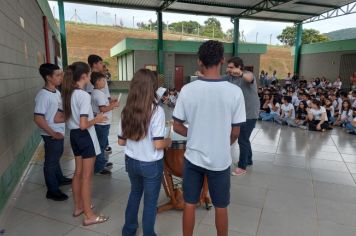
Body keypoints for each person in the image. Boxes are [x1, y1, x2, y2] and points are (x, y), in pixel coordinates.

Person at [173, 40, 246, 236]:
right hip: (220, 160)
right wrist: (222, 142)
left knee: (189, 203)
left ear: (199, 62)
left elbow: (177, 125)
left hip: (193, 158)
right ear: (222, 60)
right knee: (221, 206)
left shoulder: (188, 90)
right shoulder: (235, 92)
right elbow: (236, 132)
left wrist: (196, 134)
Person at [118, 69, 172, 236]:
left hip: (131, 161)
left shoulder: (127, 109)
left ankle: (128, 230)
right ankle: (149, 233)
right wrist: (168, 141)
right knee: (150, 201)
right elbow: (157, 144)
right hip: (150, 163)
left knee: (135, 193)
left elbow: (121, 141)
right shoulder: (156, 111)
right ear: (153, 87)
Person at [61, 61, 109, 226]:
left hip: (74, 136)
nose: (90, 77)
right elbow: (83, 124)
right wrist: (97, 119)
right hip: (85, 136)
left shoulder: (68, 93)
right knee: (87, 178)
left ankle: (79, 207)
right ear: (83, 76)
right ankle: (89, 215)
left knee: (78, 173)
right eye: (89, 74)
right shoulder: (83, 95)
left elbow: (60, 118)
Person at [34, 63, 72, 201]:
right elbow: (38, 118)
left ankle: (60, 178)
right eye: (58, 75)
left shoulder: (56, 91)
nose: (61, 77)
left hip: (58, 132)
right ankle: (52, 190)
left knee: (56, 157)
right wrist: (52, 133)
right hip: (52, 135)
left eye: (61, 74)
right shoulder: (43, 95)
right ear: (48, 77)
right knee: (50, 162)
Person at [225, 57, 260, 176]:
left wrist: (240, 74)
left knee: (242, 139)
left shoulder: (247, 74)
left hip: (249, 113)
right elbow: (217, 79)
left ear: (239, 67)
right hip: (239, 113)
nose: (228, 69)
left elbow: (249, 78)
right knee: (245, 138)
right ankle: (248, 160)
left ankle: (242, 166)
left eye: (231, 67)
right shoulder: (230, 78)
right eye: (228, 67)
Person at [87, 55, 115, 166]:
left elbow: (104, 94)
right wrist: (110, 105)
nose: (102, 65)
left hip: (103, 114)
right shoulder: (91, 80)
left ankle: (101, 161)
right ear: (94, 64)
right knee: (100, 142)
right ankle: (99, 165)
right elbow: (93, 100)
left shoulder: (99, 77)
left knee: (102, 141)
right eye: (100, 63)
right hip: (100, 118)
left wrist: (109, 100)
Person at [90, 72, 119, 175]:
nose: (105, 82)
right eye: (103, 80)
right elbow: (103, 109)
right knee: (101, 146)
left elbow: (104, 105)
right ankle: (99, 168)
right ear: (97, 82)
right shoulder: (99, 94)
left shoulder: (96, 92)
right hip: (102, 124)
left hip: (101, 123)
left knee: (101, 144)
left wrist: (111, 103)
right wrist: (113, 106)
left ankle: (101, 162)